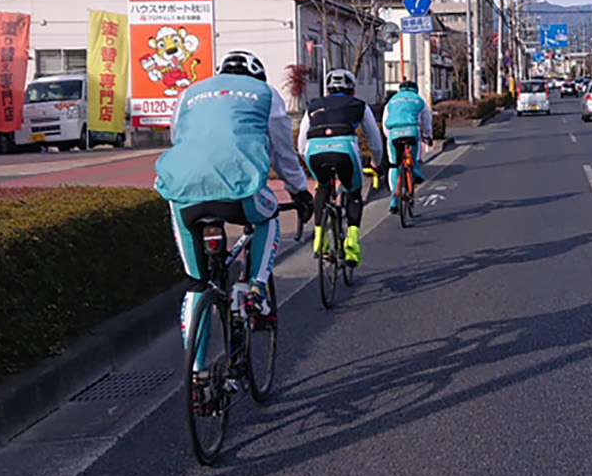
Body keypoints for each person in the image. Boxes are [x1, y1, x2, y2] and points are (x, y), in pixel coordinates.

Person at [155, 49, 312, 330]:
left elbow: (177, 136)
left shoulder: (190, 93)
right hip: (239, 192)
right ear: (258, 75)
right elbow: (282, 152)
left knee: (197, 284)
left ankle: (196, 371)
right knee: (268, 215)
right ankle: (256, 289)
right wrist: (298, 191)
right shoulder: (266, 93)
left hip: (182, 191)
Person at [296, 68, 383, 266]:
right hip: (345, 150)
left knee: (323, 187)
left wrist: (308, 160)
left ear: (327, 91)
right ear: (352, 90)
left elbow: (302, 143)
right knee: (353, 193)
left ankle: (319, 239)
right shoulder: (359, 105)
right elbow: (375, 142)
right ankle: (351, 243)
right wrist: (376, 164)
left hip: (315, 152)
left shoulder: (313, 106)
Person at [381, 79, 433, 212]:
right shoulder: (419, 101)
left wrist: (389, 136)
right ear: (416, 90)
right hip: (411, 130)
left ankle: (394, 198)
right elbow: (426, 122)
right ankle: (415, 167)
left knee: (394, 165)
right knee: (415, 145)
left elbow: (385, 122)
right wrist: (427, 136)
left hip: (393, 133)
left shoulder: (391, 102)